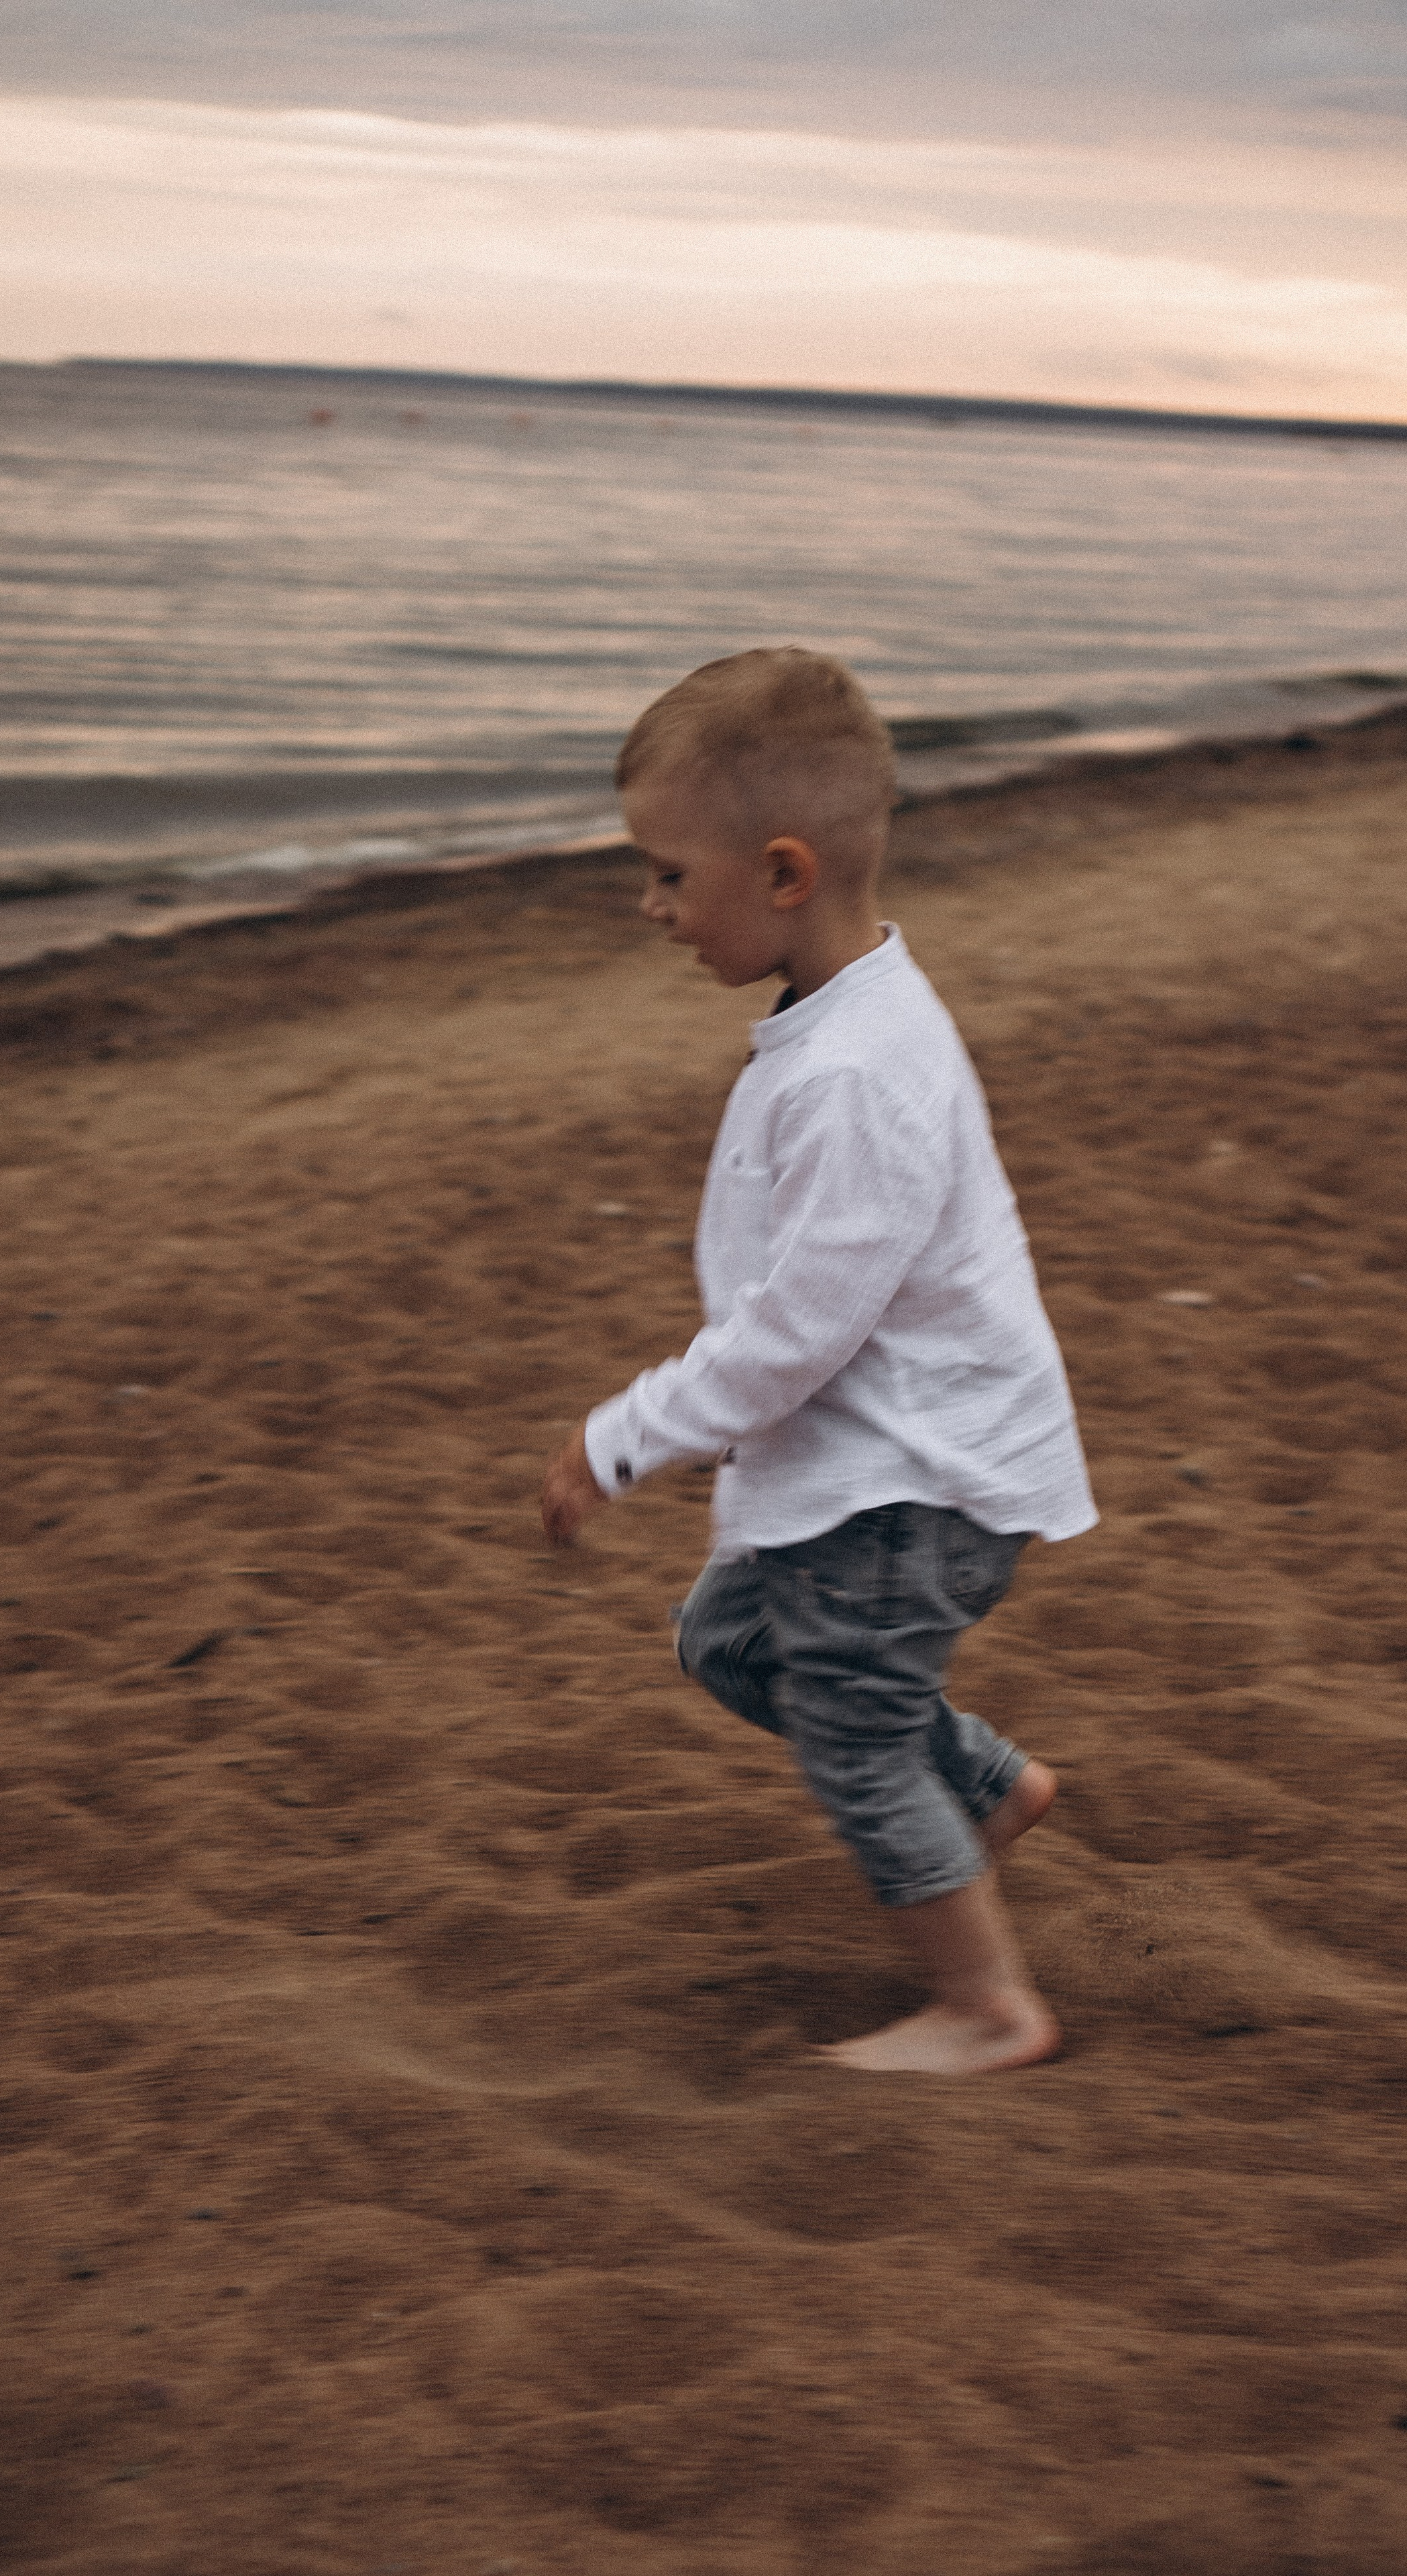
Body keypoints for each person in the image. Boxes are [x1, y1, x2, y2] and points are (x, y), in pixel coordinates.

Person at [541, 647, 1096, 2074]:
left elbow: (793, 1336)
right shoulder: (835, 1021)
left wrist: (623, 1437)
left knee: (849, 1734)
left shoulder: (856, 1073)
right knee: (724, 1641)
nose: (649, 905)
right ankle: (981, 1787)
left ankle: (987, 2008)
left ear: (782, 873)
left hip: (914, 1485)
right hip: (879, 1462)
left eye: (669, 875)